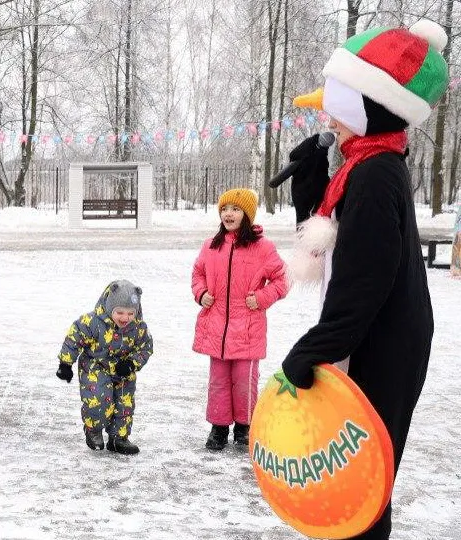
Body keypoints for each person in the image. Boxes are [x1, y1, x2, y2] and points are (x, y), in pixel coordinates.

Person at [282, 20, 448, 539]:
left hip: (384, 344)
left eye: (337, 102)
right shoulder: (366, 164)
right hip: (374, 335)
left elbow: (365, 278)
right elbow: (340, 247)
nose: (328, 116)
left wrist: (314, 349)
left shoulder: (376, 174)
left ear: (368, 104)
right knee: (353, 474)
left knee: (365, 477)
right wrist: (312, 186)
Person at [191, 189, 288, 451]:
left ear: (247, 214)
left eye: (235, 209)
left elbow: (282, 280)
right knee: (219, 381)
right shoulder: (211, 246)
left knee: (245, 381)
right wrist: (201, 293)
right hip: (217, 328)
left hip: (247, 329)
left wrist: (262, 297)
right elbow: (198, 273)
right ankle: (219, 427)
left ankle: (245, 427)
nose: (228, 214)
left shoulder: (263, 247)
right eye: (224, 209)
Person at [55, 280, 154, 455]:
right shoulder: (92, 322)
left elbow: (145, 347)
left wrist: (132, 363)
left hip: (123, 369)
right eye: (120, 312)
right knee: (98, 400)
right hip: (95, 366)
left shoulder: (139, 327)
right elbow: (74, 337)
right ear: (109, 307)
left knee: (124, 404)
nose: (125, 318)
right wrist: (65, 363)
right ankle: (93, 430)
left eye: (131, 313)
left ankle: (118, 438)